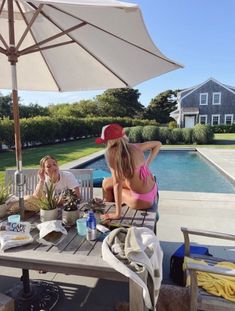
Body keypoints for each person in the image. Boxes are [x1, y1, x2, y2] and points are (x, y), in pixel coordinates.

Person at [96, 124, 161, 220]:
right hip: (153, 190)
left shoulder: (112, 154)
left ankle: (110, 214)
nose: (104, 144)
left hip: (142, 199)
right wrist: (147, 164)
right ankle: (107, 207)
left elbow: (117, 184)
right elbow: (158, 144)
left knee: (114, 191)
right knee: (105, 183)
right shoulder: (136, 147)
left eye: (105, 141)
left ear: (110, 141)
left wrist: (118, 214)